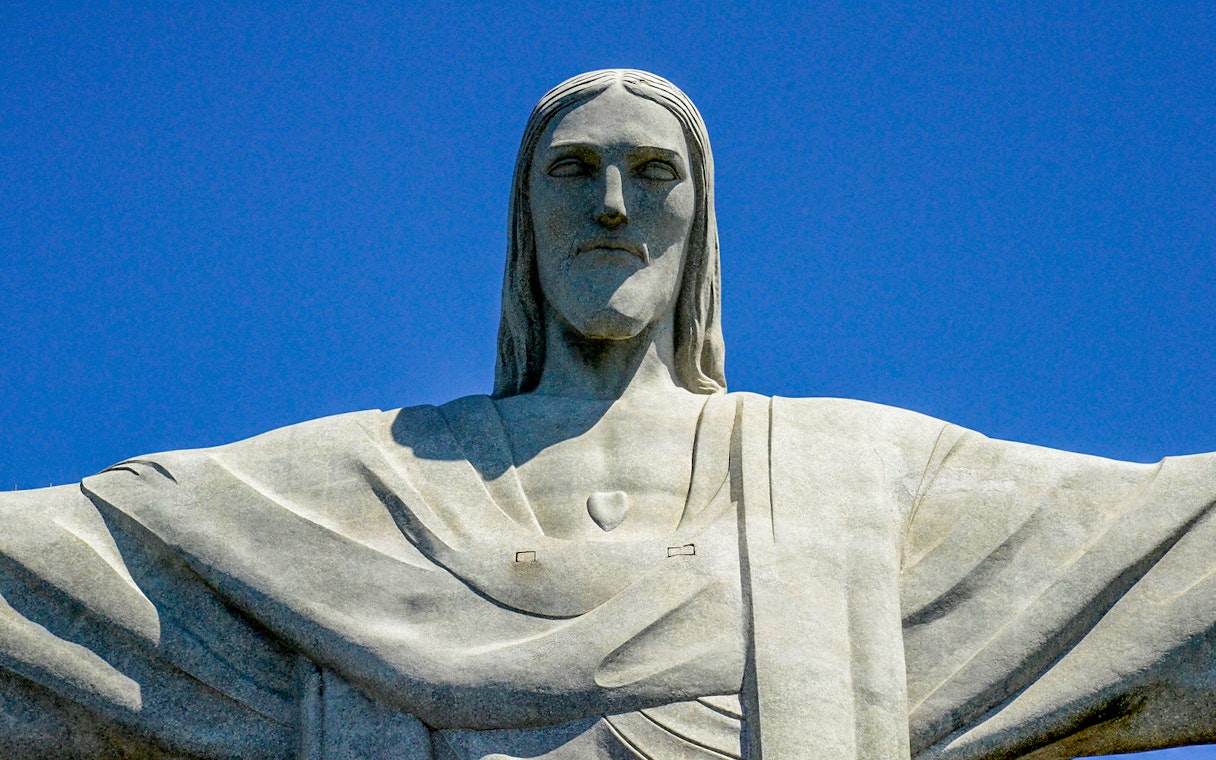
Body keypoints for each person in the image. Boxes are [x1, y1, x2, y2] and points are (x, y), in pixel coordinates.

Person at [1, 69, 1215, 760]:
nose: (615, 207)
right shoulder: (373, 483)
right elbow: (68, 565)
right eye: (573, 172)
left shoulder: (851, 473)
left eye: (655, 172)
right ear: (526, 223)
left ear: (700, 225)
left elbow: (1163, 547)